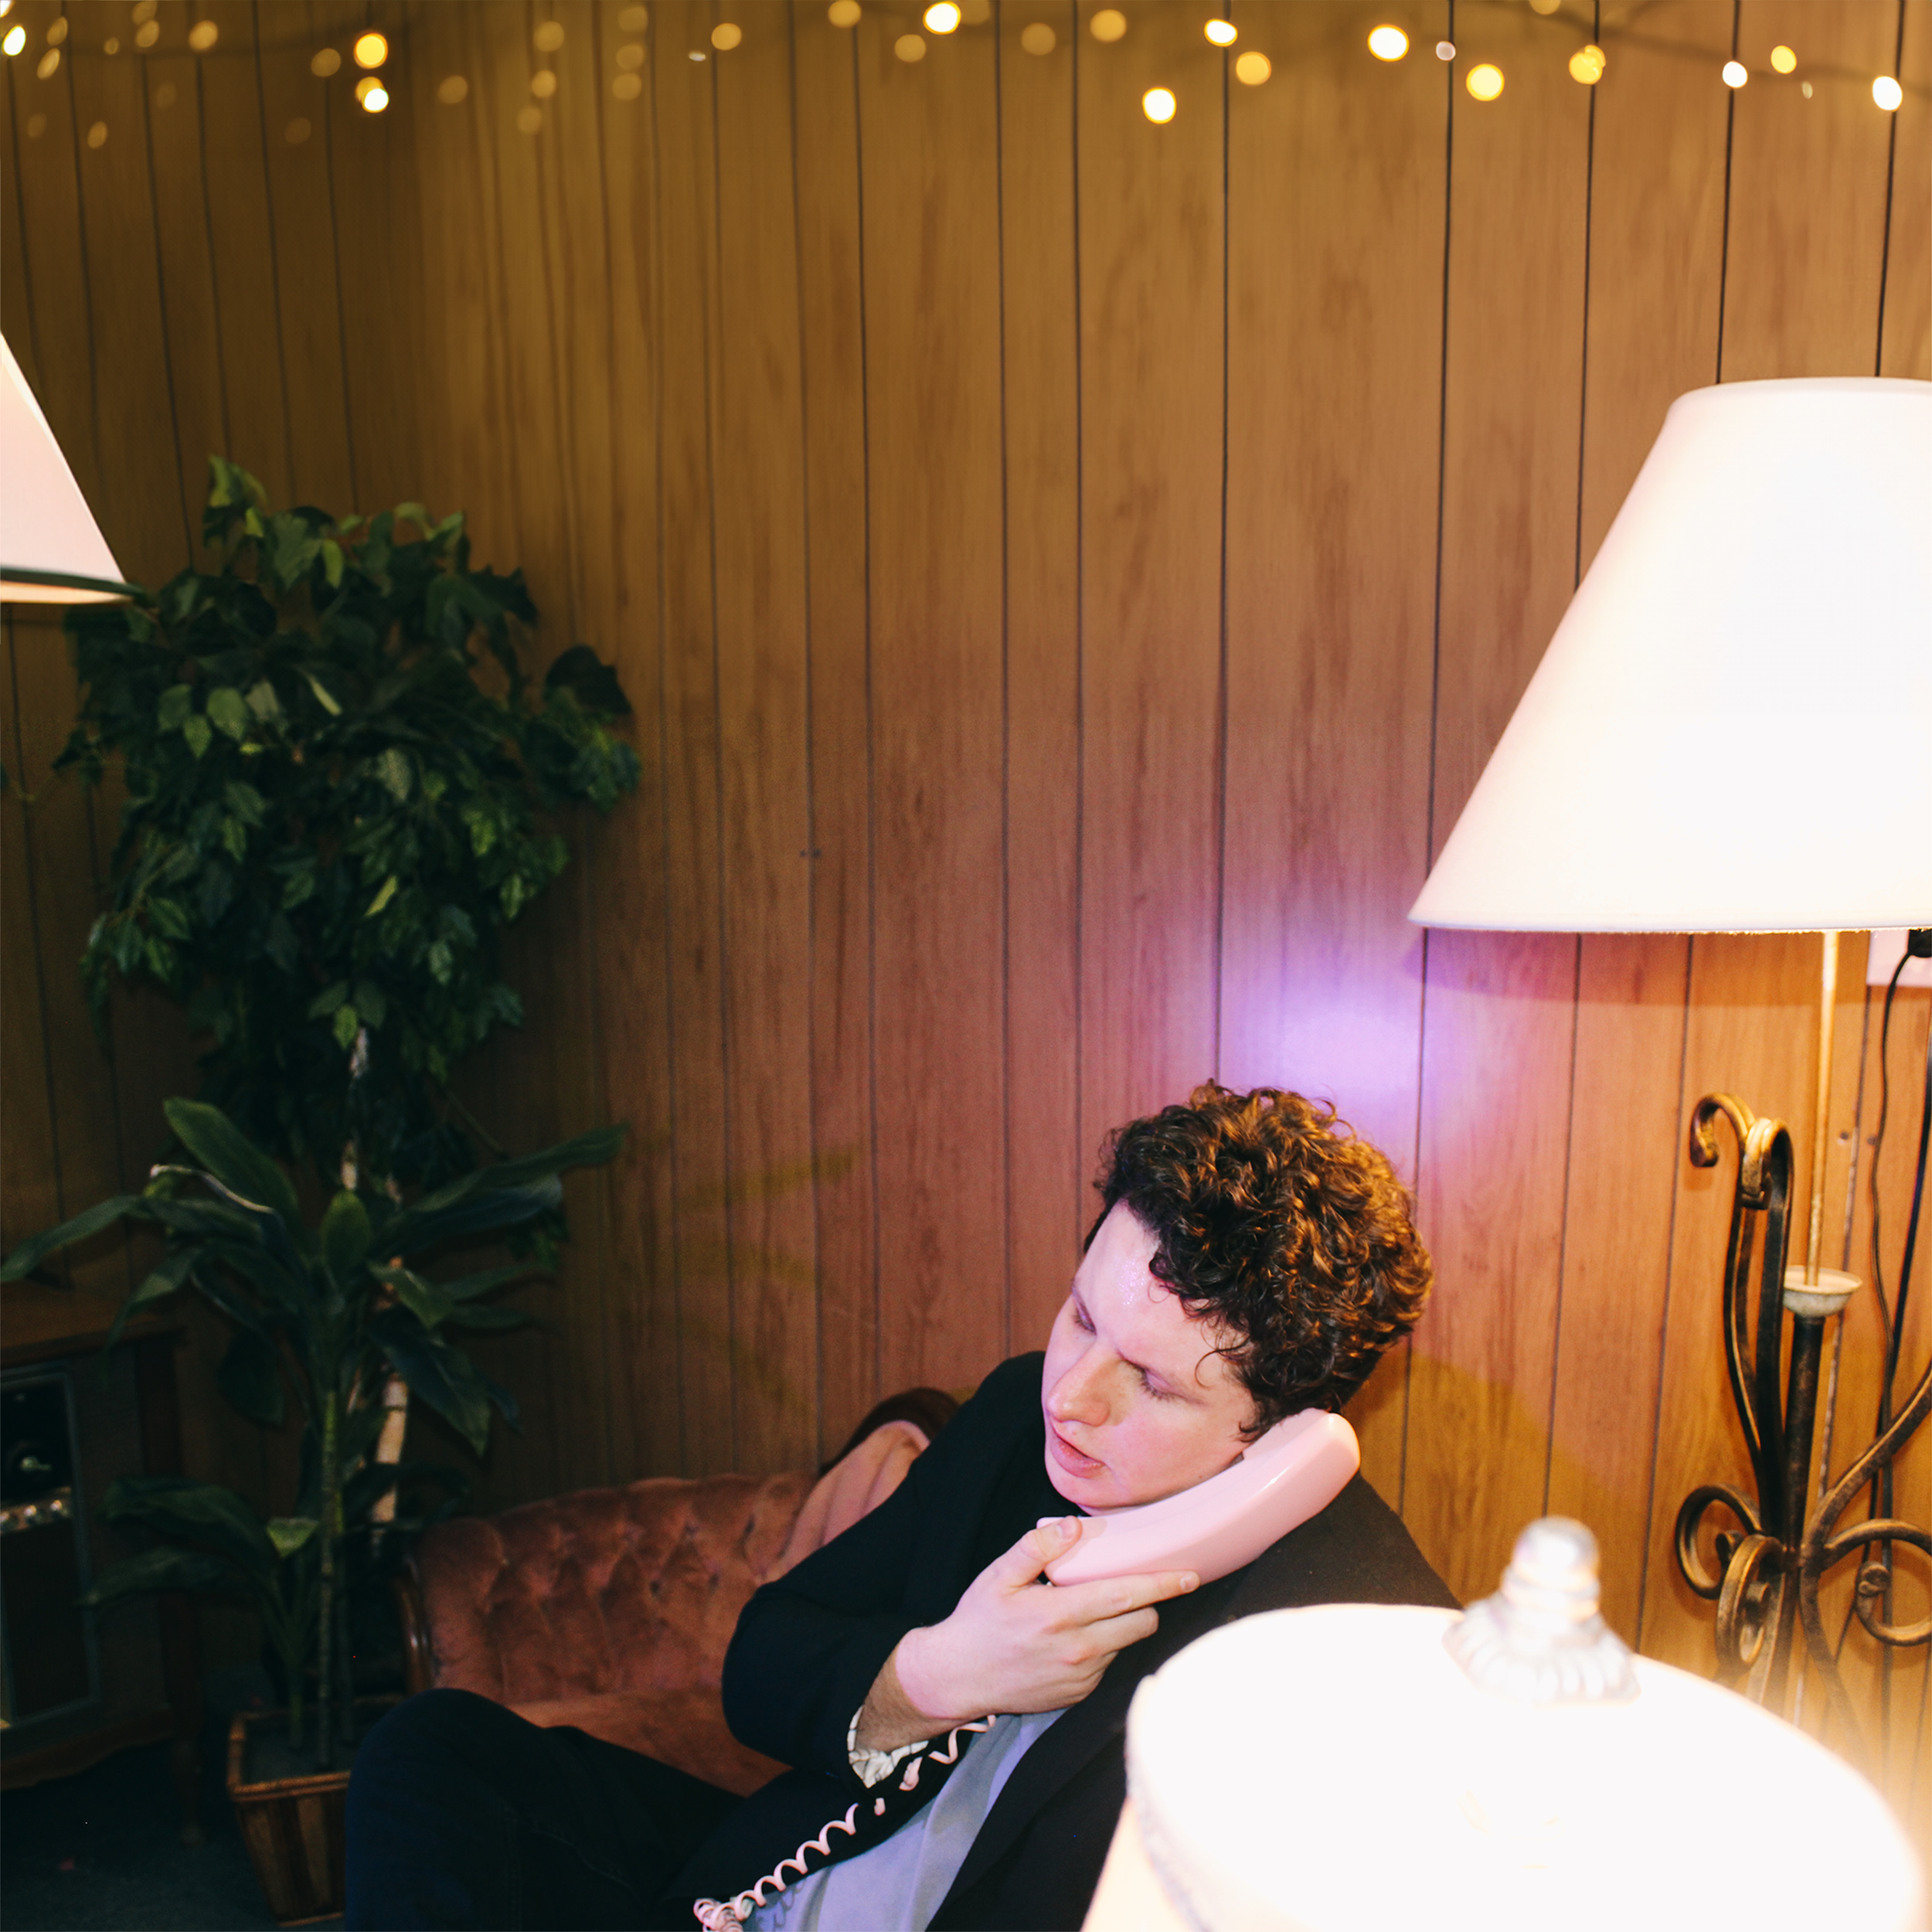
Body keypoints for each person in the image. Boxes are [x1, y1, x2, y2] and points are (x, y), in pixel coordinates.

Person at [346, 1083, 1453, 1931]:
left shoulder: (1357, 1645)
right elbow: (764, 1659)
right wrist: (934, 1676)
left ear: (1286, 1428)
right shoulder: (1021, 1419)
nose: (1074, 1396)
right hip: (757, 1885)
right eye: (1081, 1318)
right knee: (435, 1752)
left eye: (1153, 1383)